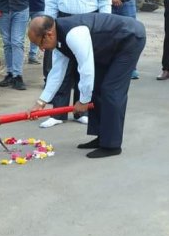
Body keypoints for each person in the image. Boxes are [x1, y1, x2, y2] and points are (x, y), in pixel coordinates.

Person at [28, 14, 146, 158]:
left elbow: (86, 69)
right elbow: (57, 73)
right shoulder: (58, 40)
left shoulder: (73, 34)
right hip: (108, 45)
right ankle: (102, 138)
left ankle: (112, 145)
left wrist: (83, 100)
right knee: (97, 87)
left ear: (49, 34)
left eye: (40, 43)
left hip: (129, 38)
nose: (41, 49)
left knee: (111, 90)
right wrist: (41, 102)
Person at [41, 0, 111, 128]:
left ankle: (81, 109)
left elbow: (105, 0)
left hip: (89, 21)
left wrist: (103, 28)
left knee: (85, 66)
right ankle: (57, 113)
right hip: (63, 20)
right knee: (61, 65)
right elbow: (51, 0)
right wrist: (49, 25)